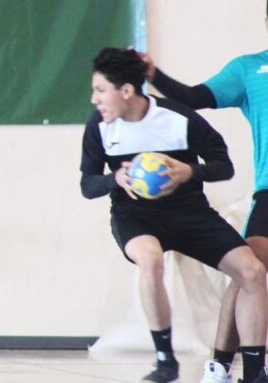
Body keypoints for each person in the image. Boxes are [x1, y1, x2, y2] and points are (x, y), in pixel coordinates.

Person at [81, 48, 268, 383]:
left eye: (99, 90)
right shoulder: (99, 127)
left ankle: (255, 374)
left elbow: (223, 166)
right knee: (150, 259)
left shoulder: (177, 117)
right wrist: (116, 179)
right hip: (134, 214)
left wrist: (188, 172)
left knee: (252, 271)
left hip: (190, 213)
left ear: (125, 91)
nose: (95, 99)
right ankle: (166, 361)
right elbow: (88, 184)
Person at [141, 16, 268, 383]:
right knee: (250, 273)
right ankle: (221, 367)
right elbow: (194, 98)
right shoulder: (249, 69)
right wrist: (155, 75)